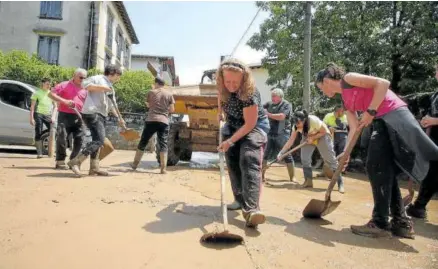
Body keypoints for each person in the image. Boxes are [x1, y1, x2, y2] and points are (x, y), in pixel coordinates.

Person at [315, 62, 438, 239]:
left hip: (394, 115)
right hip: (381, 121)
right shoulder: (345, 100)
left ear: (326, 80)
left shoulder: (349, 79)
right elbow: (354, 127)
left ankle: (380, 223)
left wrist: (370, 111)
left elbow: (383, 83)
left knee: (376, 166)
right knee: (382, 168)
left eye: (320, 87)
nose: (322, 92)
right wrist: (346, 153)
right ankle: (400, 222)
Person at [216, 58, 270, 228]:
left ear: (244, 79)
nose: (231, 85)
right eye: (227, 81)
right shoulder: (222, 86)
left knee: (248, 158)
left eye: (235, 82)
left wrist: (230, 141)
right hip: (232, 125)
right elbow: (221, 99)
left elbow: (250, 124)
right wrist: (220, 114)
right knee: (232, 160)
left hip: (253, 127)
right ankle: (239, 200)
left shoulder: (249, 93)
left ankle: (252, 209)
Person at [67, 64, 126, 177]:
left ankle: (94, 168)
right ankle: (76, 162)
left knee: (97, 141)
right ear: (112, 73)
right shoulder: (98, 78)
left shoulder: (110, 86)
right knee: (99, 140)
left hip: (101, 114)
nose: (118, 78)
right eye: (118, 76)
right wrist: (104, 88)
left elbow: (111, 104)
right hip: (92, 112)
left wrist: (119, 118)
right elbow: (85, 85)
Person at [278, 110, 344, 192]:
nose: (297, 124)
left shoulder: (313, 120)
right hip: (308, 137)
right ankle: (308, 181)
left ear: (304, 120)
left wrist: (313, 138)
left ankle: (340, 183)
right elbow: (290, 141)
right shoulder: (295, 127)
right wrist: (281, 152)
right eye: (295, 122)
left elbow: (323, 131)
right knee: (304, 158)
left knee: (330, 159)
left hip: (322, 135)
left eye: (298, 122)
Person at [406, 65, 438, 219]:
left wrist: (434, 120)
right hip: (434, 141)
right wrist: (426, 120)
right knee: (431, 173)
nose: (436, 73)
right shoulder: (435, 96)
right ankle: (419, 206)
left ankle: (419, 206)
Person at [131, 77, 175, 174]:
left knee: (143, 141)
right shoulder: (169, 94)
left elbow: (148, 105)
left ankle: (134, 165)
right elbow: (172, 110)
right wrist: (164, 111)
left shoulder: (151, 92)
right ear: (163, 84)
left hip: (151, 120)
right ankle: (163, 169)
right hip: (163, 121)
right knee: (163, 143)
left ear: (156, 83)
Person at [49, 68, 87, 169]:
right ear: (74, 75)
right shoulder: (64, 85)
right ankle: (60, 161)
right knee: (62, 137)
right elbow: (51, 94)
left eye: (84, 78)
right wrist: (64, 101)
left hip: (80, 116)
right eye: (80, 77)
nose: (82, 79)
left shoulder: (86, 88)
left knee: (80, 139)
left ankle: (73, 161)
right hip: (65, 115)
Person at [261, 88, 297, 183]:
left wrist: (268, 114)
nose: (272, 98)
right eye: (272, 96)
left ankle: (292, 177)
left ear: (280, 97)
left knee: (286, 154)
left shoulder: (286, 105)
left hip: (282, 132)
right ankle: (261, 176)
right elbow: (260, 107)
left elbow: (282, 116)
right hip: (270, 132)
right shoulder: (269, 104)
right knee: (265, 153)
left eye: (274, 96)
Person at [30, 78, 56, 158]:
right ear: (43, 84)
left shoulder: (51, 93)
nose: (49, 86)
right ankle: (39, 153)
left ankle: (52, 151)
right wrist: (31, 118)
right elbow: (32, 106)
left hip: (48, 115)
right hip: (39, 114)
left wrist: (53, 116)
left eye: (49, 84)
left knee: (54, 131)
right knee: (38, 131)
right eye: (47, 84)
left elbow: (56, 106)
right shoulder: (37, 93)